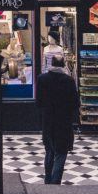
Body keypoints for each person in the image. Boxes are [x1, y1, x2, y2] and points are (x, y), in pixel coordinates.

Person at [35, 55, 79, 184]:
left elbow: (38, 102)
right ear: (63, 64)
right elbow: (75, 103)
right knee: (61, 152)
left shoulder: (42, 79)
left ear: (51, 63)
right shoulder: (69, 81)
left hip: (48, 121)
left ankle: (48, 179)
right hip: (64, 122)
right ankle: (55, 182)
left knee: (49, 150)